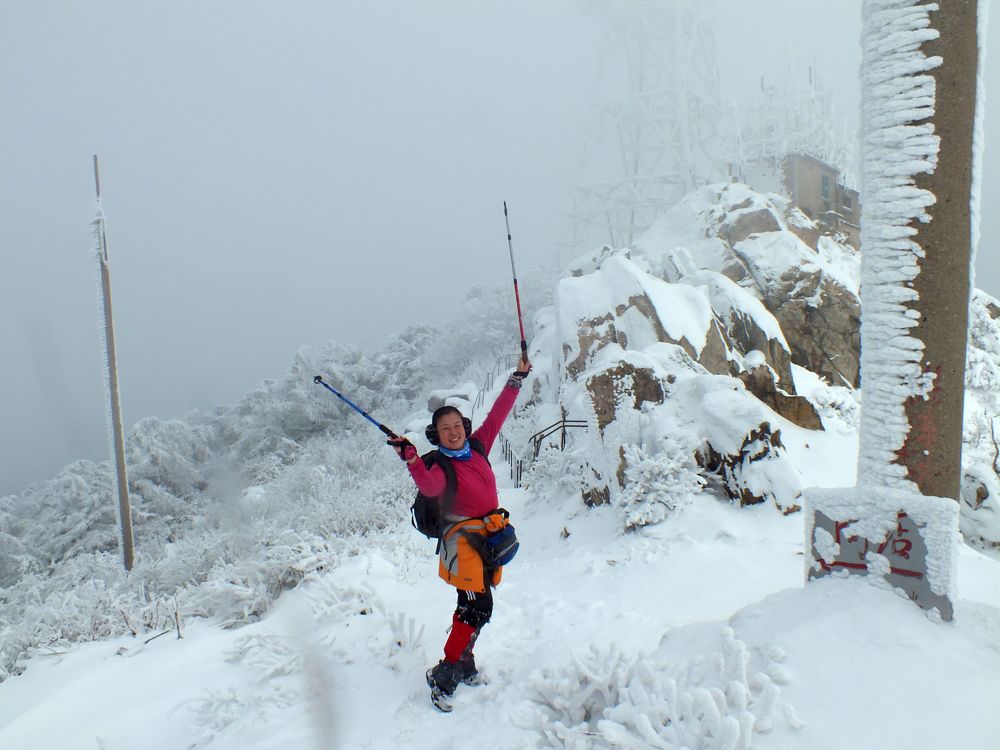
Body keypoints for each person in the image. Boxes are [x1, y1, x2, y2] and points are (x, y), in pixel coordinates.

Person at [389, 355, 530, 712]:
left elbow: (498, 412)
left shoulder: (479, 445)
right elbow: (429, 486)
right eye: (445, 428)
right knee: (477, 607)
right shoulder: (439, 465)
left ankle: (463, 662)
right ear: (437, 435)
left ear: (464, 426)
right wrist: (412, 460)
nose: (453, 432)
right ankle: (446, 672)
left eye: (457, 425)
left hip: (488, 538)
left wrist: (517, 377)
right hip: (462, 545)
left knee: (472, 606)